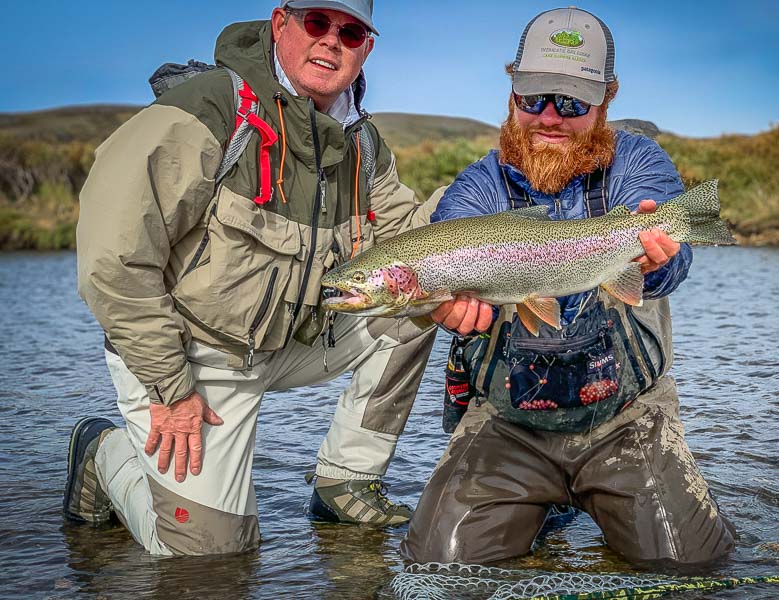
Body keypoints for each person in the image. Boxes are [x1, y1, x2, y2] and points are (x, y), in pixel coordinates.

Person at [66, 0, 439, 556]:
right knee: (208, 559)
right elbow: (112, 261)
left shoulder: (360, 141)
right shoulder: (207, 112)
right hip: (191, 356)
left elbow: (415, 238)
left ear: (368, 47)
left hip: (292, 338)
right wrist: (170, 388)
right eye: (317, 22)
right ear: (280, 23)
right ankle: (105, 453)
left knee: (416, 303)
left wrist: (510, 185)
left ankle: (346, 481)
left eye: (351, 30)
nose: (332, 40)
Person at [403, 7, 736, 567]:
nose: (550, 118)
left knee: (688, 564)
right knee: (439, 565)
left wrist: (656, 262)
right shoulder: (477, 189)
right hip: (508, 423)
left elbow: (676, 268)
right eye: (533, 100)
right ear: (511, 94)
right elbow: (437, 264)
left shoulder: (637, 163)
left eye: (572, 103)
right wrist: (437, 308)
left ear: (606, 99)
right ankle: (540, 507)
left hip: (627, 417)